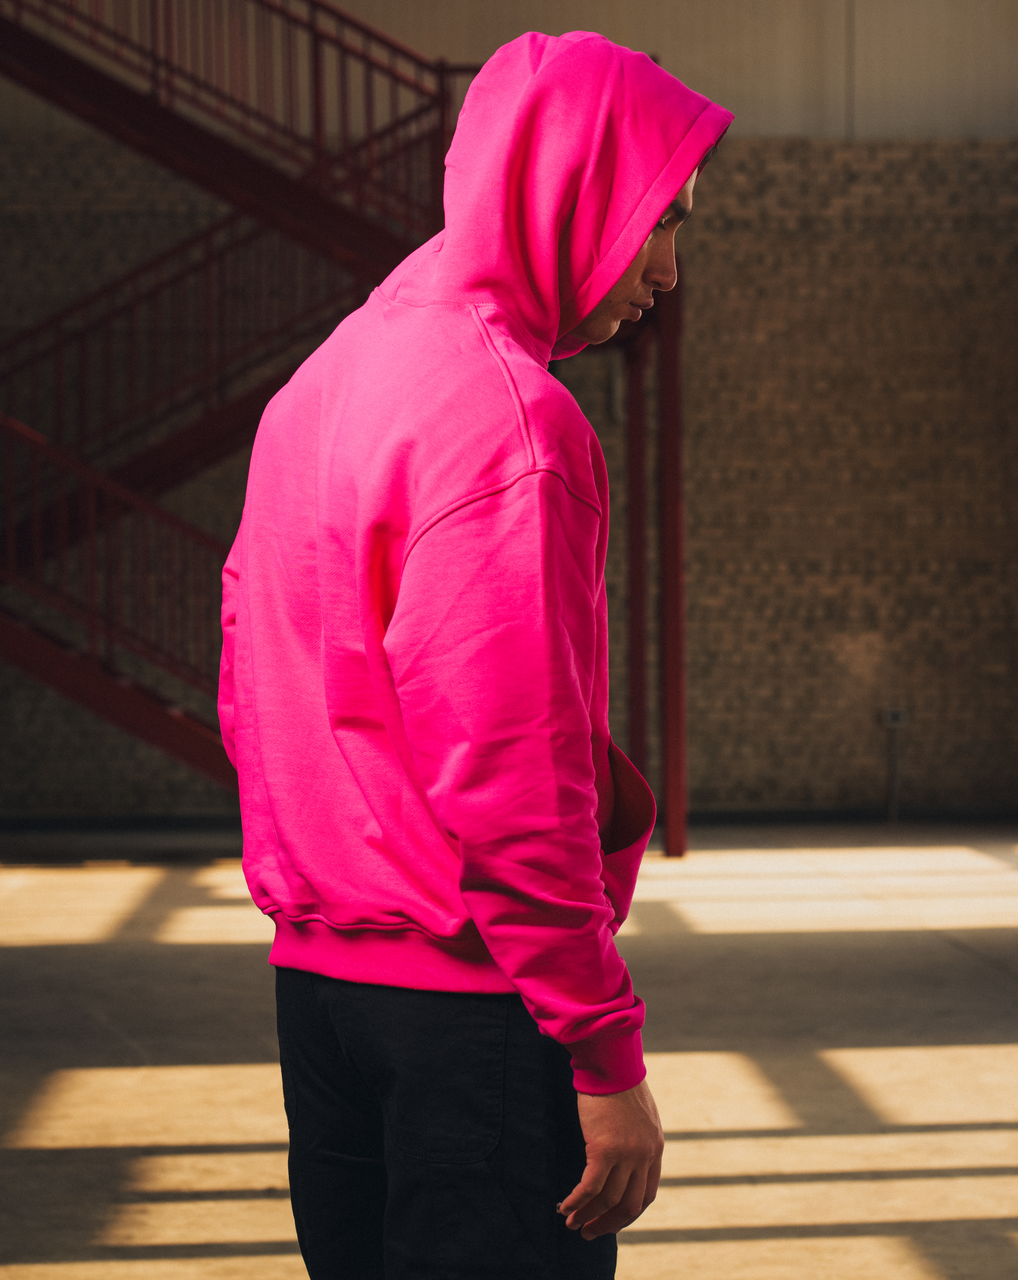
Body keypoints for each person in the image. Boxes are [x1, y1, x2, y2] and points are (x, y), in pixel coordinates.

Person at [219, 30, 732, 1279]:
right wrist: (604, 1054)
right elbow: (514, 773)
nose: (670, 268)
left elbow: (247, 682)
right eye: (660, 219)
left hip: (323, 997)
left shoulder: (329, 378)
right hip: (473, 1015)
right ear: (575, 191)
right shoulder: (510, 423)